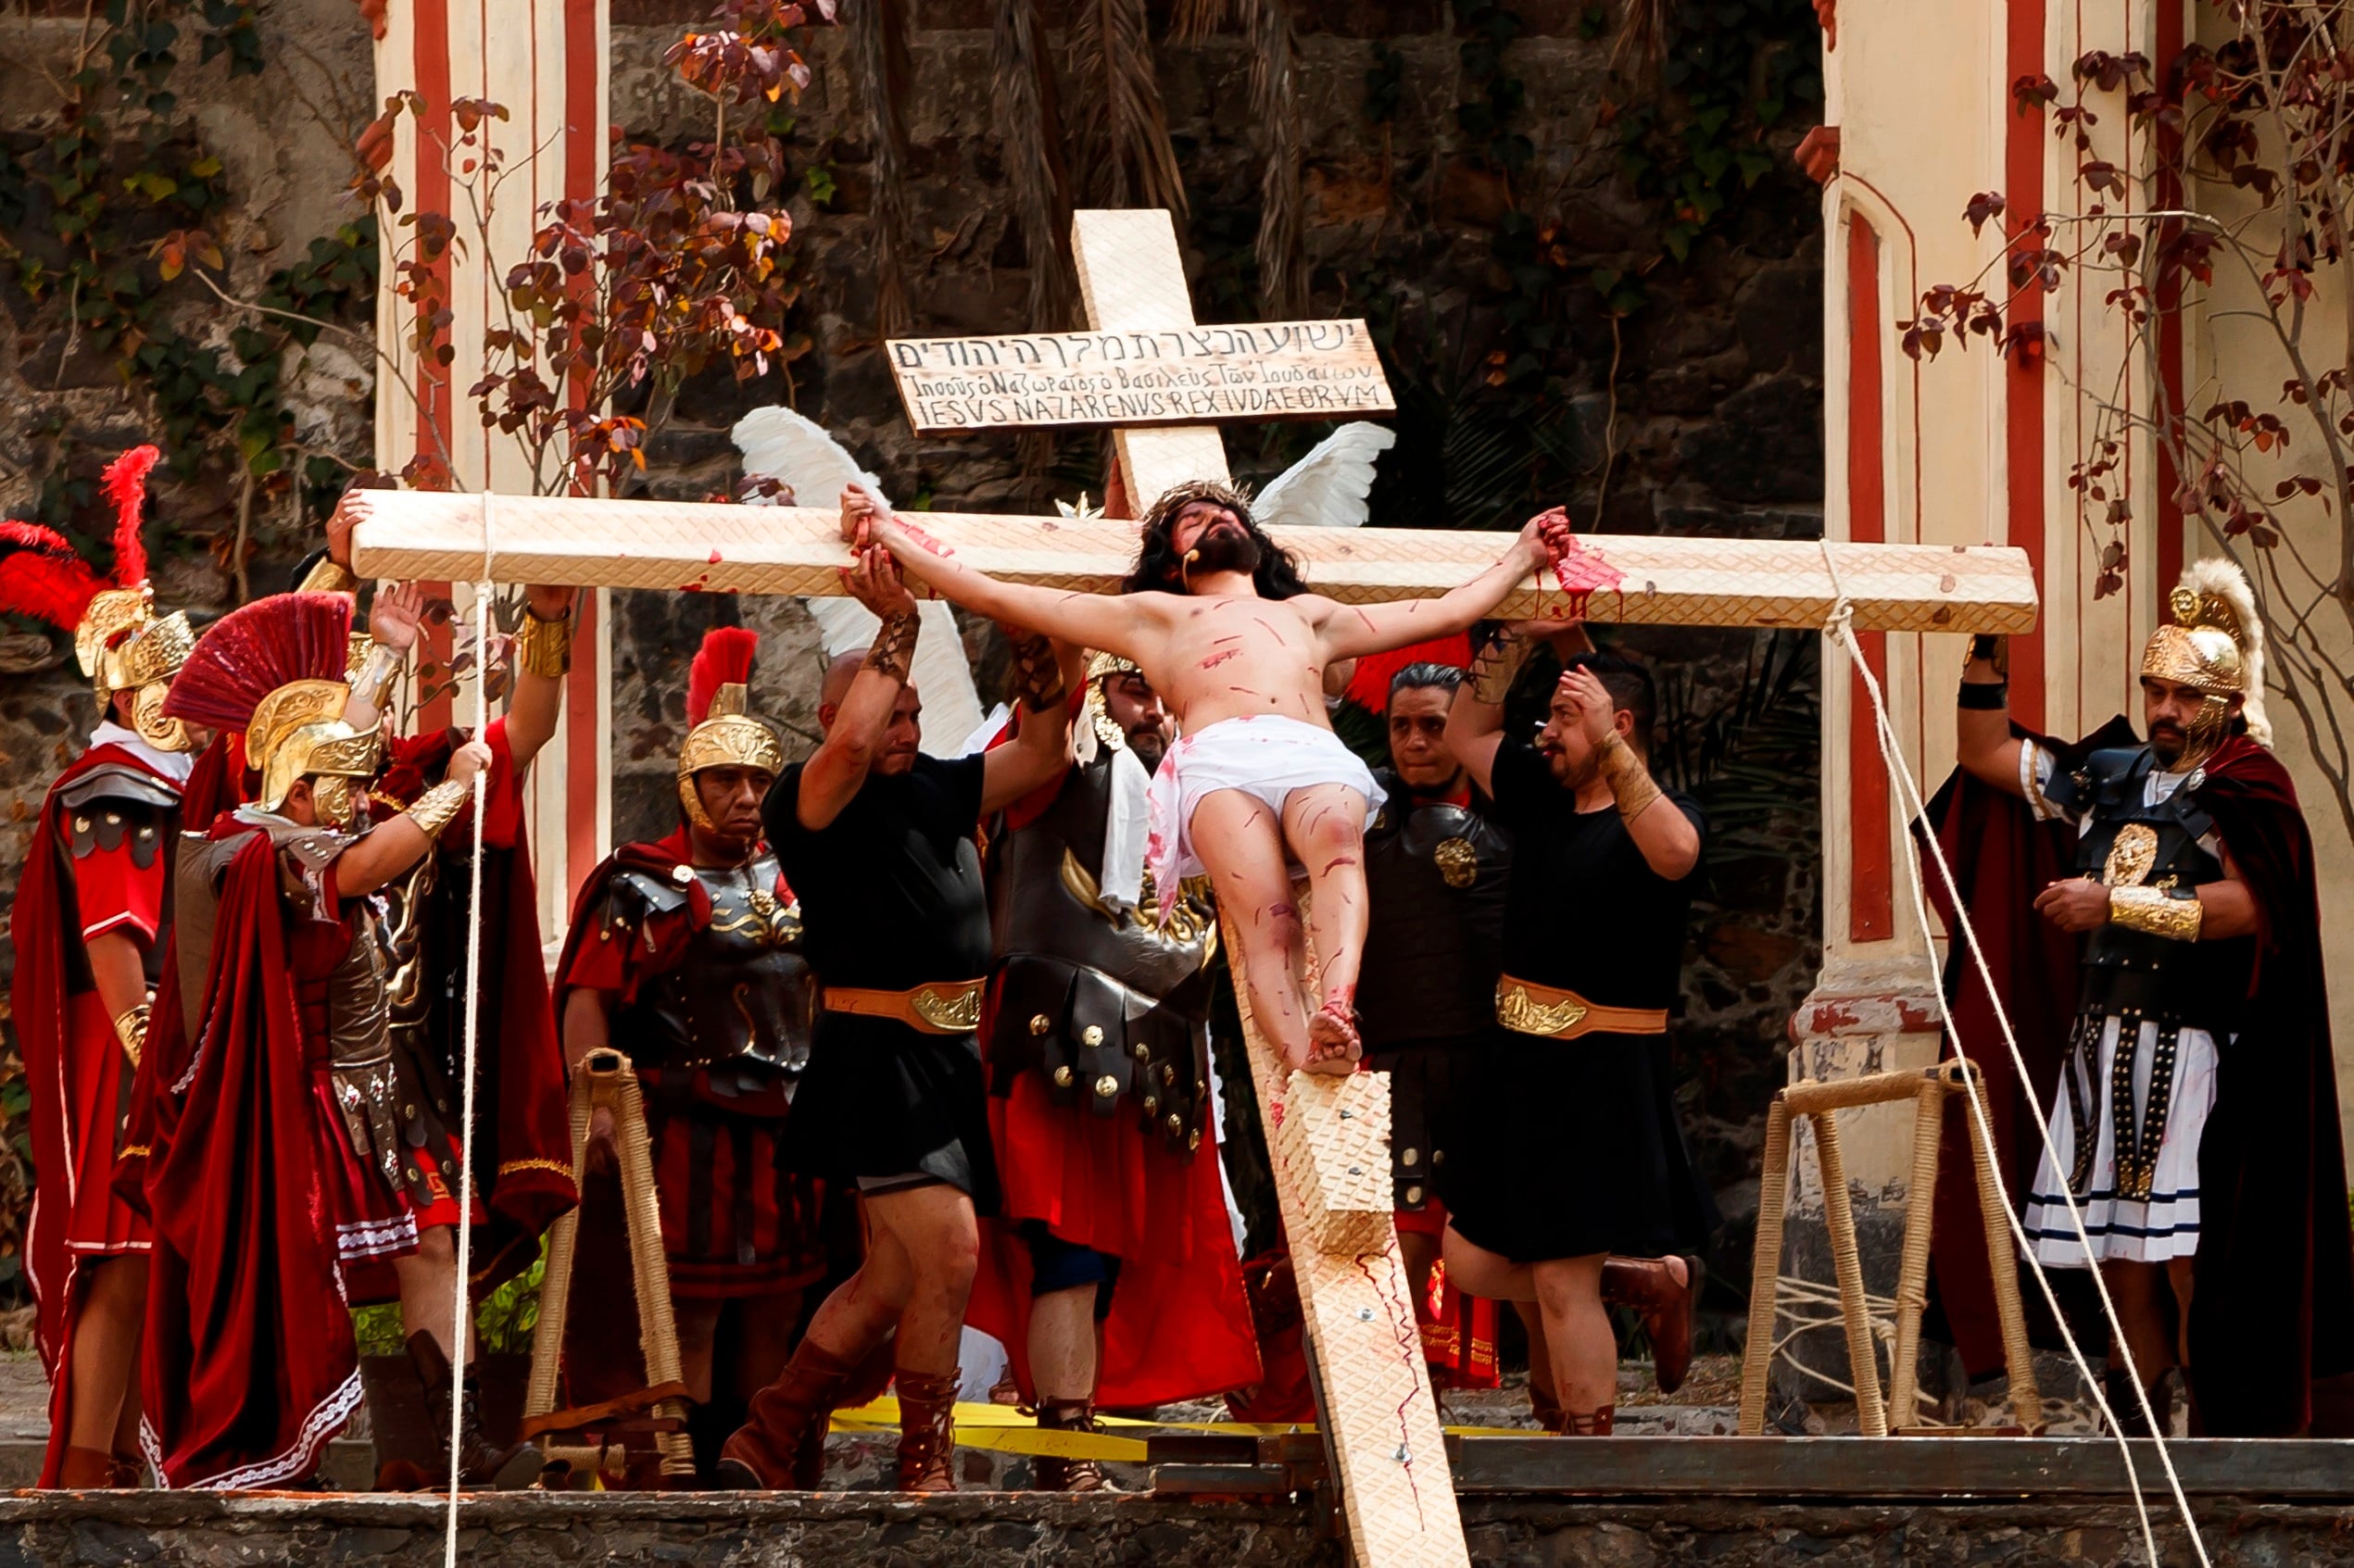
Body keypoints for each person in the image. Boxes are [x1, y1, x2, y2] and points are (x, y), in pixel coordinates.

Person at [838, 480, 1574, 1080]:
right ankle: (1306, 1051)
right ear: (1174, 562)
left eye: (1225, 513)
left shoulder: (1309, 615)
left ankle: (1337, 1004)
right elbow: (995, 594)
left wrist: (1520, 554)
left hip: (1311, 752)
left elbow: (1443, 610)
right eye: (1192, 519)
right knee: (1267, 921)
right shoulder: (1153, 616)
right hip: (1220, 762)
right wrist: (890, 531)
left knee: (1339, 849)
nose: (1215, 519)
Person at [133, 591, 535, 1489]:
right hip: (277, 1097)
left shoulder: (298, 822)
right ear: (296, 785)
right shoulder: (242, 850)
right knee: (288, 1273)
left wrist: (385, 656)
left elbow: (331, 769)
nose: (359, 797)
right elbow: (357, 862)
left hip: (370, 1089)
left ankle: (462, 1441)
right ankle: (283, 1453)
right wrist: (455, 789)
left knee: (434, 1243)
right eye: (343, 787)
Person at [1948, 559, 2354, 1436]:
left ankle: (2217, 1427)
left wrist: (2114, 903)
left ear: (2226, 701)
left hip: (2192, 1053)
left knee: (2187, 1255)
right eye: (2154, 689)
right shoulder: (2110, 774)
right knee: (2120, 1255)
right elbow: (1983, 753)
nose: (2164, 708)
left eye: (2184, 695)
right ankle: (2134, 1423)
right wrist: (1986, 638)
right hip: (2100, 1049)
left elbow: (2254, 906)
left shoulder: (2246, 783)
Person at [718, 547, 1078, 1493]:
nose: (906, 726)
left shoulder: (942, 784)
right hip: (876, 1058)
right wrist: (899, 623)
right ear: (833, 716)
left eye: (915, 712)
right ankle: (925, 1462)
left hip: (947, 1060)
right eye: (890, 710)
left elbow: (1043, 753)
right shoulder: (809, 798)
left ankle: (770, 1429)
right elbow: (848, 747)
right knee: (950, 1250)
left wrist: (1030, 643)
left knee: (890, 1277)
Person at [964, 653, 1261, 1490]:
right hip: (1056, 1036)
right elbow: (1043, 687)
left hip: (1156, 1051)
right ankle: (1065, 1453)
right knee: (1070, 1251)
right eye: (1135, 687)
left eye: (1165, 692)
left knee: (1108, 1265)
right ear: (1094, 689)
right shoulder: (1052, 759)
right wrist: (1075, 632)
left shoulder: (1195, 785)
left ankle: (1077, 1434)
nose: (1154, 708)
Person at [554, 626, 828, 1479]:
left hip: (790, 1130)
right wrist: (597, 1106)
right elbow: (588, 1000)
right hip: (682, 1130)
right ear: (689, 786)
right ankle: (685, 1480)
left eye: (758, 781)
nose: (745, 797)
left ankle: (761, 1470)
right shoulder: (637, 882)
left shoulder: (801, 878)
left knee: (781, 1308)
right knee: (690, 1314)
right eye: (725, 780)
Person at [1435, 635, 1715, 1436]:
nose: (1545, 732)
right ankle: (1642, 1280)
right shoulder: (1542, 794)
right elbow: (1464, 731)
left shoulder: (1662, 816)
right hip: (1519, 1067)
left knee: (1560, 1278)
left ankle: (1585, 1458)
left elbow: (1677, 854)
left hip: (1601, 1072)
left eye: (1563, 717)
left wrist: (1609, 744)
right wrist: (1515, 636)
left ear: (1616, 724)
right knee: (1473, 1258)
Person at [2, 445, 200, 1486]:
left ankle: (119, 1456)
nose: (183, 698)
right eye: (165, 681)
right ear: (127, 693)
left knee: (149, 1255)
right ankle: (88, 1464)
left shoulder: (168, 783)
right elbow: (113, 937)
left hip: (158, 1039)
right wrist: (150, 1053)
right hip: (122, 1042)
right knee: (120, 1254)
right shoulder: (115, 791)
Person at [1357, 661, 1510, 1396]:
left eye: (1432, 724)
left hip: (1495, 1065)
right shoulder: (1355, 805)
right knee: (1397, 1248)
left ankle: (1569, 1427)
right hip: (1388, 1064)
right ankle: (1390, 1417)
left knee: (1525, 1251)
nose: (1415, 741)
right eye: (1400, 725)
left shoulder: (1515, 806)